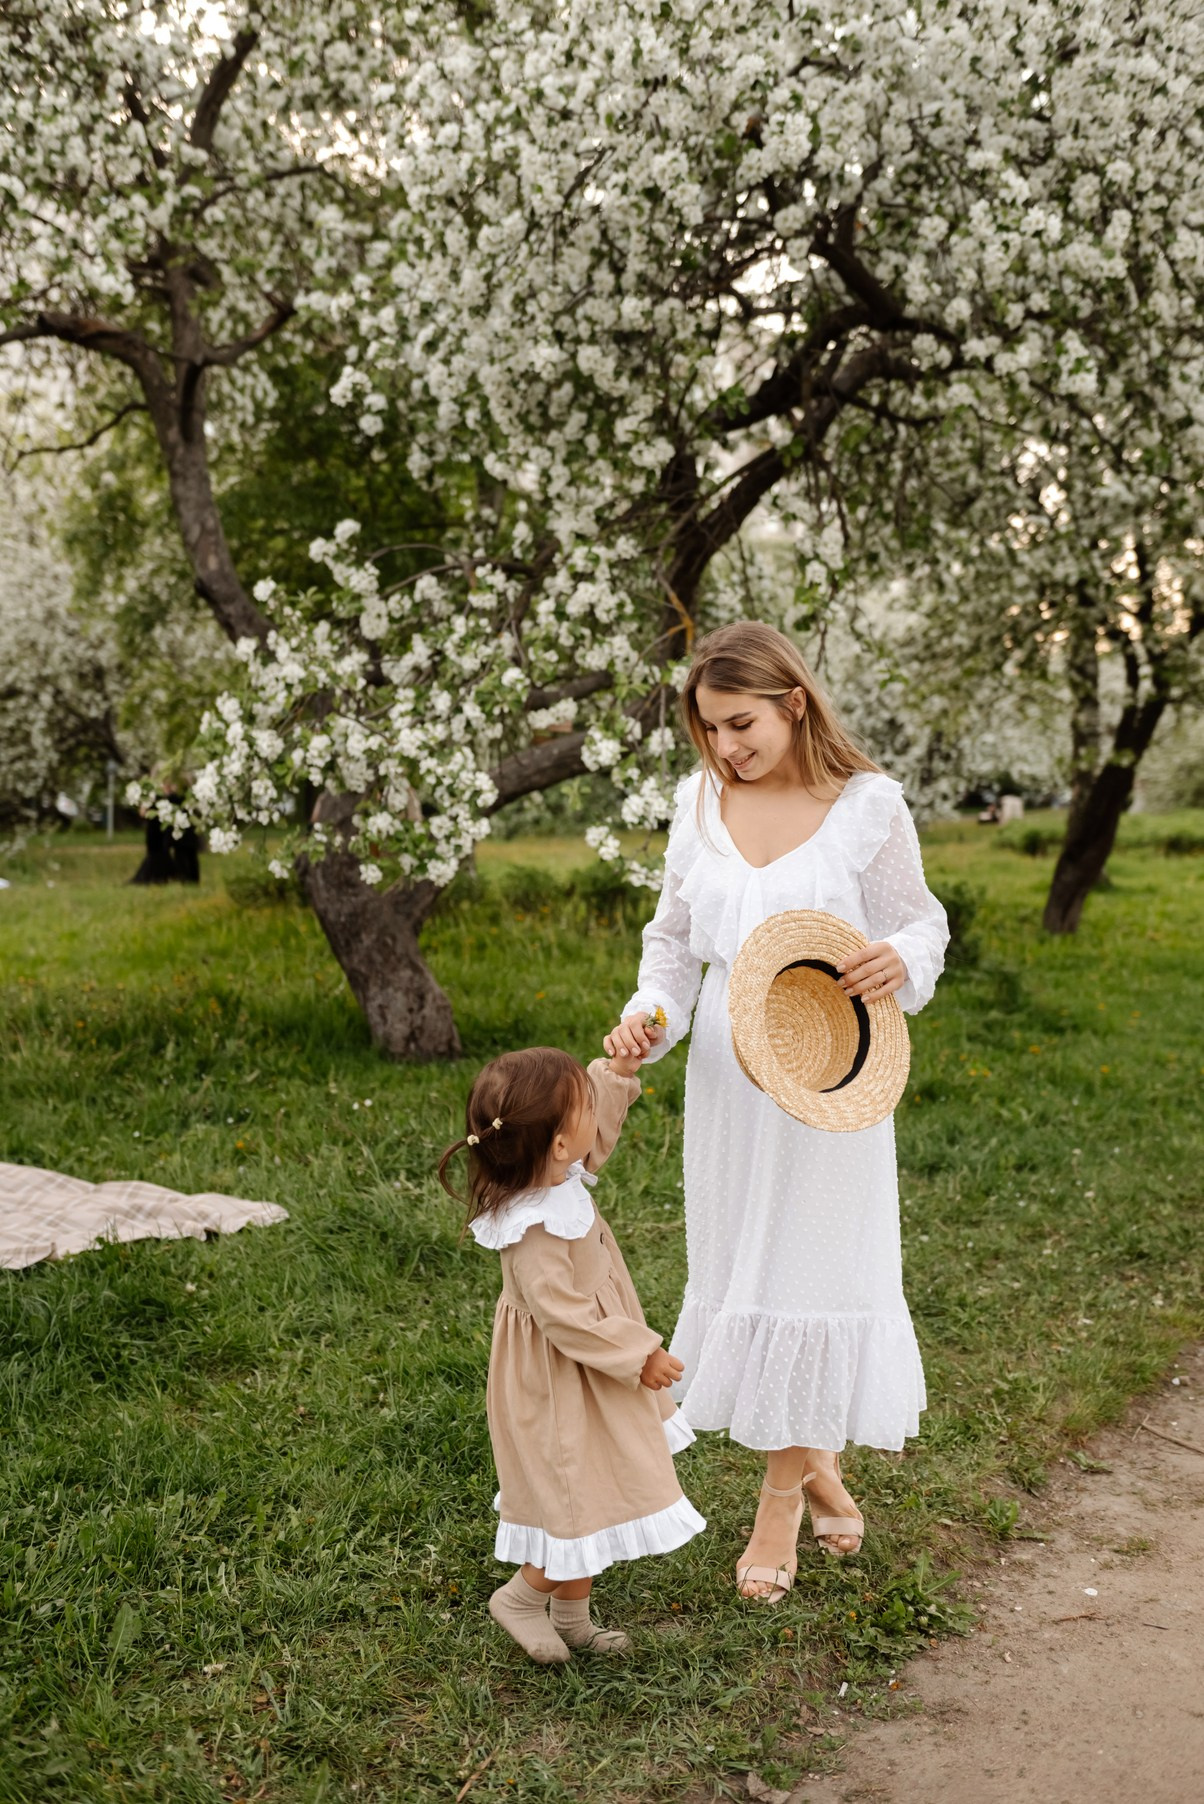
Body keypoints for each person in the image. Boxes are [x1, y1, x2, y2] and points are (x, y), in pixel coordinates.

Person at [604, 621, 949, 1603]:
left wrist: (901, 958)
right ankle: (820, 1470)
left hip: (829, 1067)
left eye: (741, 724)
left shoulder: (868, 806)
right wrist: (647, 1018)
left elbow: (920, 921)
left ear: (793, 703)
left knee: (812, 1272)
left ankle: (779, 1502)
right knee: (746, 1271)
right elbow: (673, 947)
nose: (725, 747)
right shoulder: (697, 805)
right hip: (728, 1074)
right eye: (709, 729)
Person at [439, 1045, 705, 1664]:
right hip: (561, 1379)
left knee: (589, 1492)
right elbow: (564, 1319)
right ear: (558, 1144)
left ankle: (572, 1619)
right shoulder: (534, 1227)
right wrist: (639, 1353)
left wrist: (616, 1075)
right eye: (584, 1102)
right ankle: (521, 1599)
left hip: (588, 1370)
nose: (593, 1108)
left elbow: (595, 1135)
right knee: (573, 1499)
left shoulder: (557, 1174)